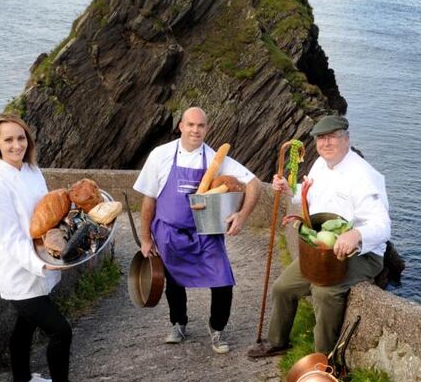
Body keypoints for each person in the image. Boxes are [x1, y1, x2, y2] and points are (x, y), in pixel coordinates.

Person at [247, 115, 390, 358]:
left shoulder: (365, 176)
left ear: (346, 139)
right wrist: (289, 190)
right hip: (322, 251)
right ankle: (277, 342)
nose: (326, 143)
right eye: (321, 138)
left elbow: (383, 225)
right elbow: (307, 198)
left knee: (325, 292)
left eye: (332, 137)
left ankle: (324, 359)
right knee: (283, 287)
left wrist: (356, 234)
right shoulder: (320, 165)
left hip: (361, 254)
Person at [133, 107, 262, 354]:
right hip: (168, 231)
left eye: (200, 126)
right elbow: (149, 200)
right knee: (173, 282)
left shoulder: (216, 159)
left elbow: (254, 183)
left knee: (223, 281)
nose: (195, 130)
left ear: (207, 129)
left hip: (205, 232)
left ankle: (217, 328)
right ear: (180, 126)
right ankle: (178, 323)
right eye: (190, 124)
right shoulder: (160, 155)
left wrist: (242, 216)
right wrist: (145, 237)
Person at [0, 113, 80, 382]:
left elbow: (44, 212)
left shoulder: (33, 170)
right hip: (19, 271)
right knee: (61, 331)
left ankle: (21, 380)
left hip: (39, 261)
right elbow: (9, 238)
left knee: (25, 324)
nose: (16, 144)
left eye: (20, 138)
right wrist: (40, 265)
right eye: (8, 139)